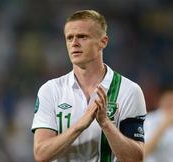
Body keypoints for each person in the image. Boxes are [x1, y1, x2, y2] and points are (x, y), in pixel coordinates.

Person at [31, 10, 146, 162]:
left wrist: (105, 123)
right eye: (69, 38)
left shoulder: (129, 91)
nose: (74, 43)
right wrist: (79, 126)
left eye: (82, 36)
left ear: (103, 42)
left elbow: (136, 158)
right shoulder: (50, 90)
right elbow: (41, 154)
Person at [144, 86, 173, 162]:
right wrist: (163, 126)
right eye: (168, 102)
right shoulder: (149, 120)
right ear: (160, 101)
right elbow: (143, 152)